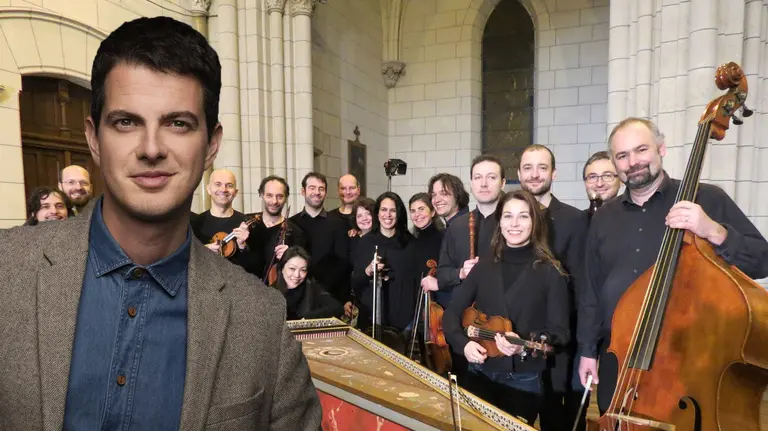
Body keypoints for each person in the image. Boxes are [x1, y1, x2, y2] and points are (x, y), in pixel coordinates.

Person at [0, 16, 320, 429]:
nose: (151, 148)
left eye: (178, 124)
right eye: (126, 122)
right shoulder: (8, 271)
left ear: (211, 145)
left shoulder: (259, 320)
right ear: (95, 138)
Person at [578, 117, 768, 414]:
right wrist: (588, 351)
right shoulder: (604, 217)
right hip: (620, 355)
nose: (633, 162)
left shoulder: (707, 199)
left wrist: (713, 231)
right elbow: (590, 289)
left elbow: (762, 259)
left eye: (641, 150)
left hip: (689, 362)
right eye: (622, 156)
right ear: (615, 164)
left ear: (661, 149)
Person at [443, 190, 569, 424]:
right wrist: (464, 345)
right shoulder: (484, 265)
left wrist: (523, 346)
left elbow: (560, 334)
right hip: (479, 373)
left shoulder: (551, 272)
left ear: (534, 222)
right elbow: (451, 314)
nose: (514, 223)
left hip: (522, 380)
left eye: (523, 216)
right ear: (499, 221)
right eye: (508, 216)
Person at [517, 144, 588, 431]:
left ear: (554, 173)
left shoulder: (574, 219)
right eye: (528, 168)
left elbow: (581, 282)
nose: (535, 175)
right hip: (517, 333)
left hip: (558, 337)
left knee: (558, 416)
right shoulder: (509, 217)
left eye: (542, 167)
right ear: (519, 174)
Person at [436, 154, 506, 384]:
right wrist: (461, 272)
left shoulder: (514, 223)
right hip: (466, 328)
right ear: (471, 183)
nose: (484, 183)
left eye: (491, 177)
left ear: (503, 182)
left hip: (503, 328)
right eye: (478, 178)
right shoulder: (456, 226)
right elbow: (442, 273)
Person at [351, 192, 414, 352]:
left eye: (392, 210)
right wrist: (368, 270)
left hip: (403, 318)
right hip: (372, 318)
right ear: (377, 213)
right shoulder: (366, 242)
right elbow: (356, 281)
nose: (388, 215)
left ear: (398, 213)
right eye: (383, 210)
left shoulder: (409, 242)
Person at [290, 172, 351, 303]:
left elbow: (343, 263)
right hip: (297, 295)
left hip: (330, 296)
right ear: (303, 191)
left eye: (321, 188)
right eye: (312, 188)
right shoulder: (291, 224)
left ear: (325, 193)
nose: (317, 192)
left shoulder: (339, 223)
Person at [190, 168, 258, 274]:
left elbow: (255, 269)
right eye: (218, 184)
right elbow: (186, 263)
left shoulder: (246, 223)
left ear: (235, 192)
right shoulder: (195, 223)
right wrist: (203, 251)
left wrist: (242, 246)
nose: (223, 189)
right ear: (208, 189)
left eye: (229, 185)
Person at [246, 175, 307, 283]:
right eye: (269, 195)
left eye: (279, 196)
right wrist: (241, 244)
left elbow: (302, 272)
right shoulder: (247, 224)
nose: (274, 201)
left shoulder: (296, 233)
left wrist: (289, 257)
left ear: (286, 197)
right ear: (261, 195)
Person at [276, 246, 343, 320]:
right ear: (282, 268)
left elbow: (337, 308)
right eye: (292, 269)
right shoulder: (271, 292)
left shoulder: (311, 286)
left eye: (303, 270)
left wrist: (307, 318)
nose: (297, 275)